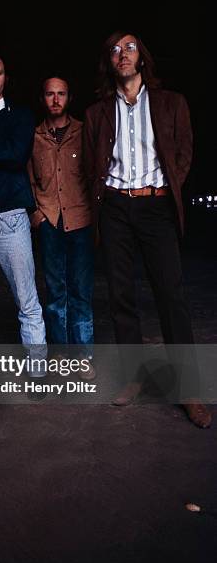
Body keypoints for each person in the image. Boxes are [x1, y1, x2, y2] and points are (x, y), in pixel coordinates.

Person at [83, 30, 211, 427]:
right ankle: (133, 377)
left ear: (143, 59)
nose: (123, 54)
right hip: (116, 207)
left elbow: (185, 152)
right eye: (116, 49)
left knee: (170, 294)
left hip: (156, 206)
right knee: (121, 295)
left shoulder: (172, 103)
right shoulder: (97, 112)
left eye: (131, 47)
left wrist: (165, 186)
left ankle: (188, 387)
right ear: (109, 61)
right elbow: (91, 163)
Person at [28, 76, 94, 378]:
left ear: (69, 97)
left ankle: (83, 357)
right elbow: (27, 176)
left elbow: (95, 173)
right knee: (55, 292)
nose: (56, 100)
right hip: (50, 221)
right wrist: (36, 210)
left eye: (61, 94)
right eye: (50, 94)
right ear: (43, 98)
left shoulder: (84, 132)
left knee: (80, 290)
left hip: (80, 221)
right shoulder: (35, 135)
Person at [0, 55, 46, 355]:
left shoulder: (20, 115)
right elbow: (1, 151)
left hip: (11, 216)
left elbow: (16, 155)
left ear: (6, 77)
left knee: (26, 297)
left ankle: (37, 368)